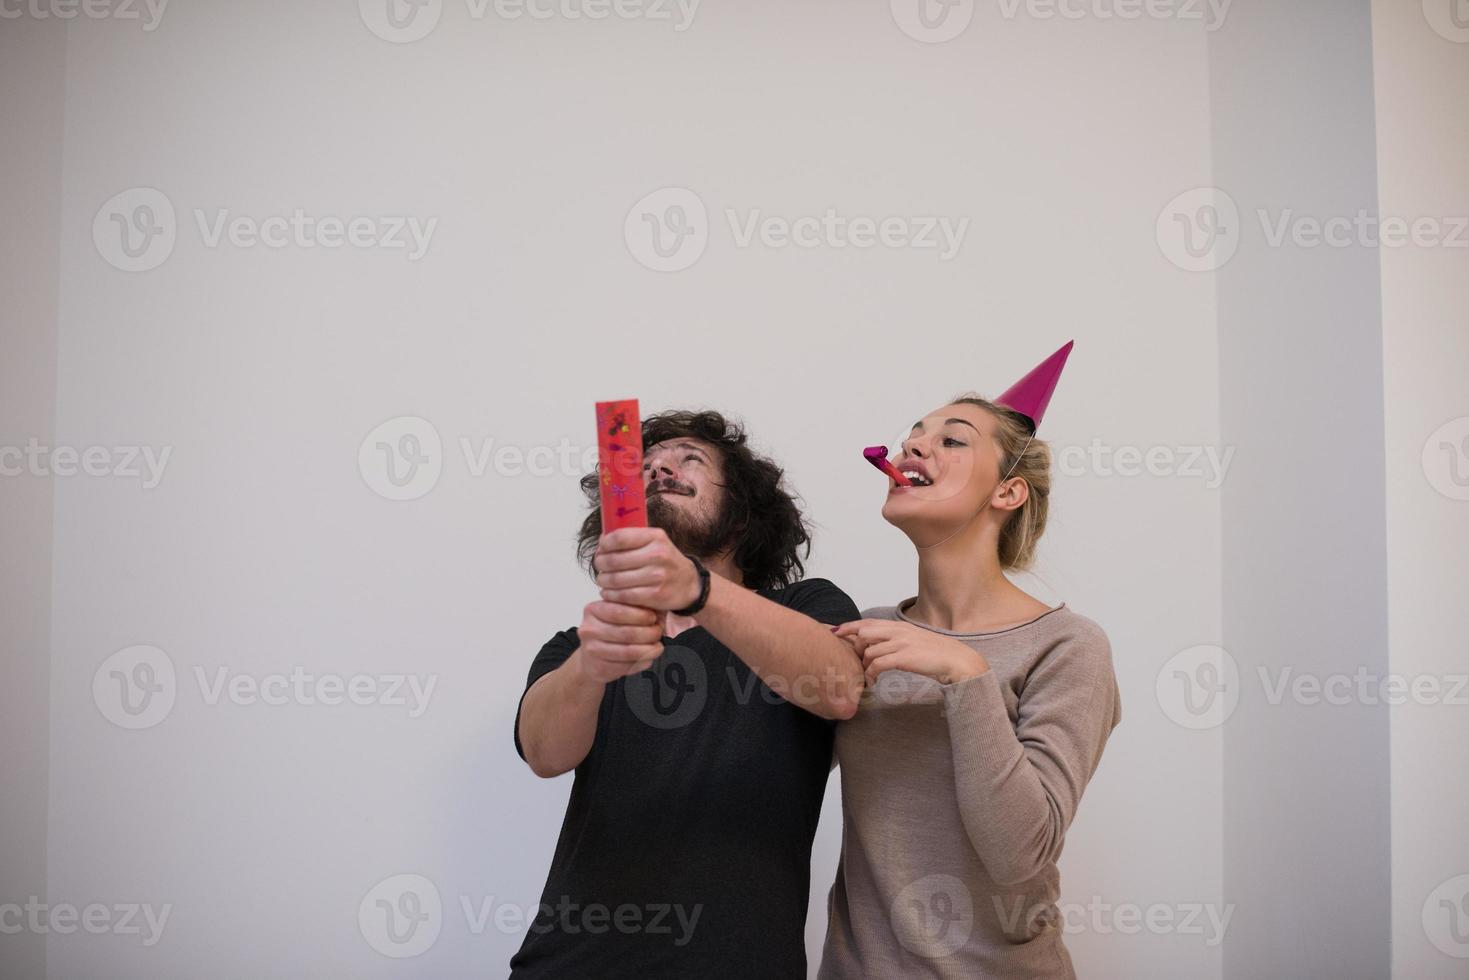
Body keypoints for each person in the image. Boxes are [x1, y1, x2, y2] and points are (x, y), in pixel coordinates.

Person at [511, 409, 864, 979]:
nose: (660, 470)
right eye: (645, 466)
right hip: (565, 965)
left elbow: (840, 689)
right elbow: (545, 753)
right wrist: (593, 665)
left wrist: (697, 590)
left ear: (744, 509)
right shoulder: (579, 645)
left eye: (688, 459)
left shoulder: (804, 608)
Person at [821, 342, 1122, 979]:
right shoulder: (866, 634)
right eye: (913, 436)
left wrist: (965, 673)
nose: (913, 448)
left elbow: (1020, 854)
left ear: (1008, 492)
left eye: (953, 441)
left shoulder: (1068, 647)